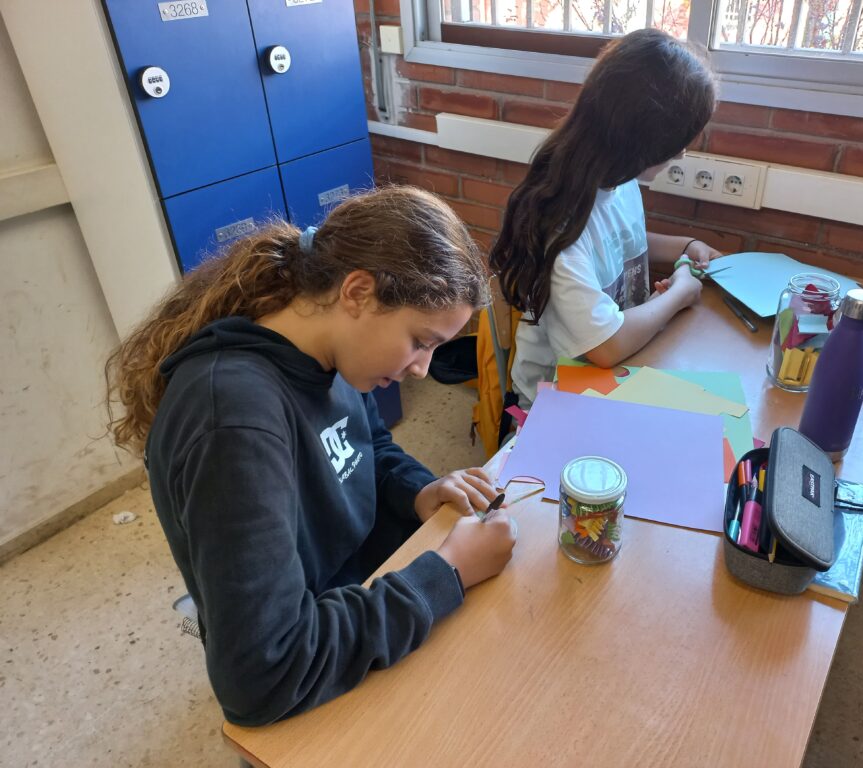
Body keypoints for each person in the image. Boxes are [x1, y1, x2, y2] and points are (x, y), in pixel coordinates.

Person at [105, 186, 517, 726]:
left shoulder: (331, 352)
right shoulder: (232, 424)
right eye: (421, 341)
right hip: (311, 661)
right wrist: (448, 572)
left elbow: (368, 446)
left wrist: (418, 491)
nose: (422, 369)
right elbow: (263, 674)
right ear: (357, 292)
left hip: (357, 597)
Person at [490, 29, 721, 406]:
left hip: (621, 369)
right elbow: (606, 346)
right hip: (559, 399)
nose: (681, 154)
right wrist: (680, 294)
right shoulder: (559, 225)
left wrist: (684, 246)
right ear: (641, 141)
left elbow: (621, 240)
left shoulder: (617, 179)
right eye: (678, 143)